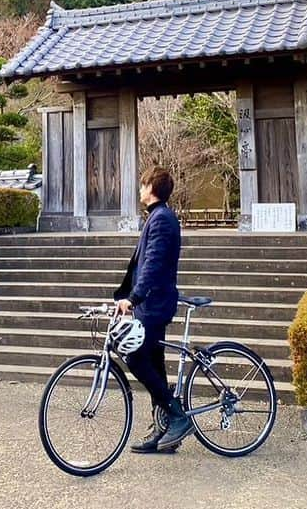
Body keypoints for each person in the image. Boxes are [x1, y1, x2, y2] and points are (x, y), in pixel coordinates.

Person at [113, 166, 193, 454]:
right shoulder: (158, 218)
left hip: (154, 304)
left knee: (133, 356)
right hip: (152, 304)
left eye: (142, 184)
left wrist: (133, 298)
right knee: (155, 366)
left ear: (151, 188)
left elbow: (153, 266)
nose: (140, 189)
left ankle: (177, 416)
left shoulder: (161, 220)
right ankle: (163, 429)